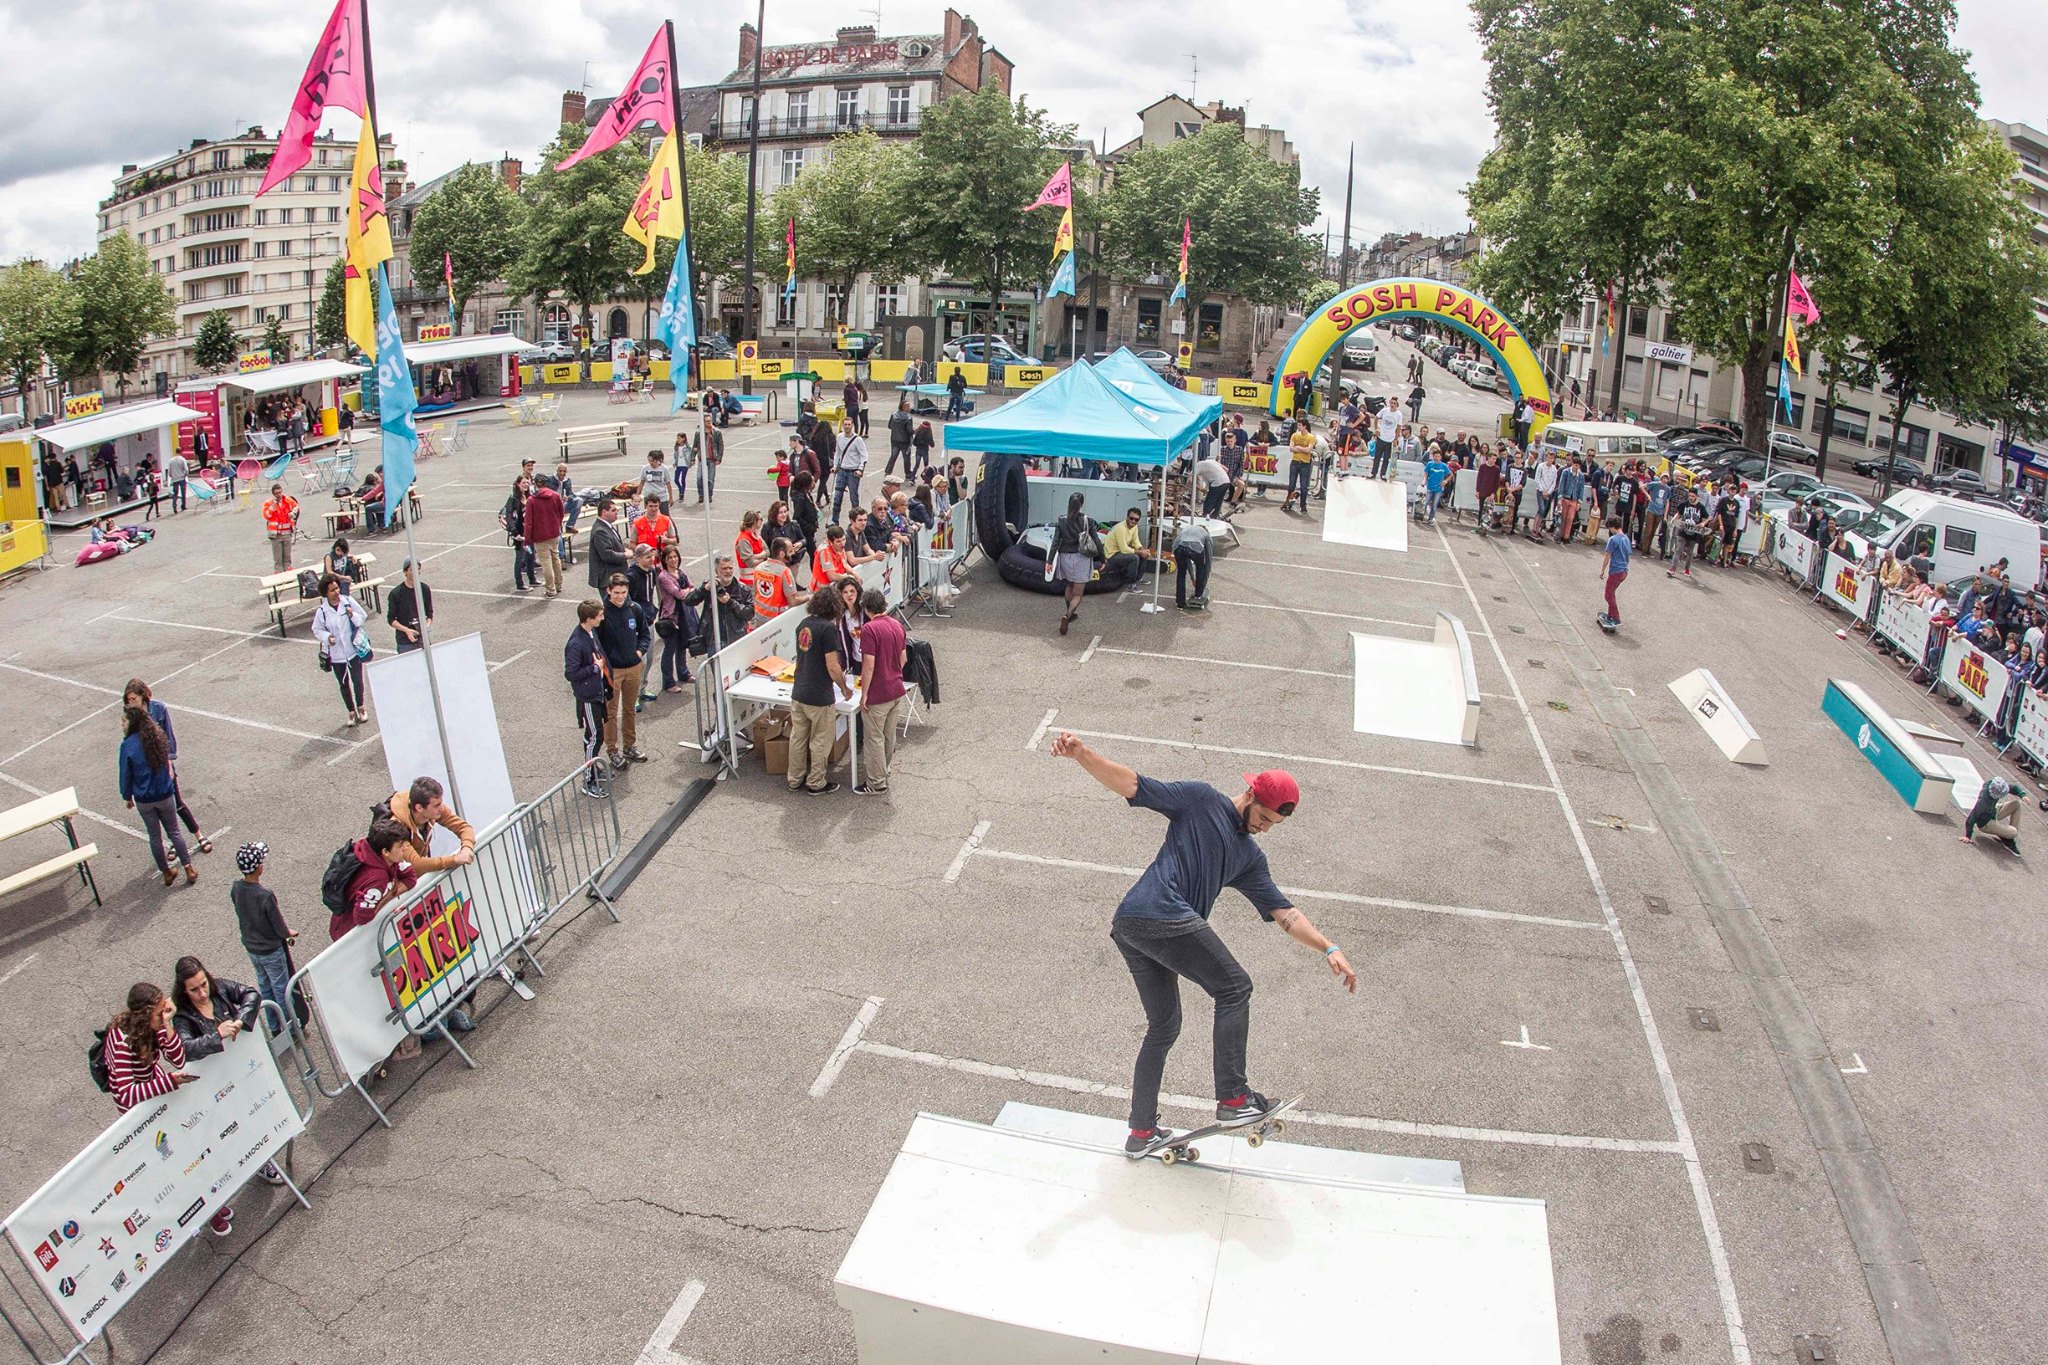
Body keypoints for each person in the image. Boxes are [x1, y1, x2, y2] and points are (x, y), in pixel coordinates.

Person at [1046, 738, 1355, 1154]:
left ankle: (1141, 1131)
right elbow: (1132, 784)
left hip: (1134, 925)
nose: (1263, 828)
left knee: (1164, 1026)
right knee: (1234, 987)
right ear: (1249, 795)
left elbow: (1285, 913)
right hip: (1159, 912)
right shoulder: (1199, 800)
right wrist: (1082, 754)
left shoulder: (1248, 857)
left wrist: (1328, 947)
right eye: (1262, 817)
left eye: (1270, 826)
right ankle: (1232, 1098)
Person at [104, 983, 237, 1233]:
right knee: (176, 1164)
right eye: (158, 1013)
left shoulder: (153, 1027)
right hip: (140, 1115)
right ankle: (204, 1213)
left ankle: (211, 1205)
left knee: (189, 1154)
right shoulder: (122, 1042)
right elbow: (125, 1095)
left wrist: (166, 1025)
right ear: (144, 1016)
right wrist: (167, 1082)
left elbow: (177, 1058)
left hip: (157, 1098)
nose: (164, 1014)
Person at [120, 703, 196, 886]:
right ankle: (188, 868)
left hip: (144, 799)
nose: (122, 725)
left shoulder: (127, 746)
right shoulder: (157, 737)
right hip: (164, 793)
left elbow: (125, 774)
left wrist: (127, 796)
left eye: (123, 721)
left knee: (154, 836)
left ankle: (167, 872)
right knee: (174, 831)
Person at [231, 841, 297, 1033]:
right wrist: (289, 933)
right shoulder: (265, 895)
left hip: (252, 948)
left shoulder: (236, 888)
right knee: (281, 989)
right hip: (271, 950)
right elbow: (278, 925)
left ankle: (274, 1025)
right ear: (259, 867)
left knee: (265, 986)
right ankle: (292, 1027)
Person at [787, 590, 847, 795]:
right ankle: (816, 781)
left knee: (798, 738)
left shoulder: (803, 624)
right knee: (820, 740)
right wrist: (844, 688)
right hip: (819, 694)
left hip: (799, 690)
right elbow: (832, 666)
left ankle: (794, 778)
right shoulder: (828, 629)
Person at [329, 819, 419, 942]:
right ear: (385, 852)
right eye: (400, 845)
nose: (405, 849)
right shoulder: (377, 879)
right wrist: (386, 899)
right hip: (351, 938)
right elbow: (362, 917)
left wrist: (389, 894)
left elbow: (410, 877)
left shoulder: (377, 853)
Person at [855, 589, 909, 795]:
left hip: (879, 692)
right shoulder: (897, 624)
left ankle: (876, 782)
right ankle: (884, 770)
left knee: (874, 738)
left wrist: (865, 694)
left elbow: (868, 665)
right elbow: (903, 658)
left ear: (866, 608)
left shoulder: (870, 629)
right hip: (896, 688)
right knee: (888, 735)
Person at [312, 572, 372, 725]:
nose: (336, 592)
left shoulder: (348, 601)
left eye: (337, 588)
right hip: (337, 654)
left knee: (357, 681)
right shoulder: (322, 611)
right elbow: (317, 629)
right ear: (326, 593)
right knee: (343, 683)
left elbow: (362, 618)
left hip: (353, 651)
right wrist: (327, 637)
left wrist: (353, 616)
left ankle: (361, 707)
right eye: (332, 590)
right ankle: (351, 711)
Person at [566, 600, 611, 796]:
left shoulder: (591, 634)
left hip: (597, 691)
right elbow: (571, 674)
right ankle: (589, 778)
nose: (602, 618)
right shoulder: (576, 643)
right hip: (588, 696)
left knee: (592, 735)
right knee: (595, 736)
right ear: (589, 618)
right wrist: (594, 668)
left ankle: (593, 768)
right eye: (599, 615)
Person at [684, 555, 754, 658]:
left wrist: (730, 602)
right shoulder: (709, 586)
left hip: (735, 638)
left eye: (730, 568)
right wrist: (704, 589)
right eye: (724, 568)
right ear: (716, 571)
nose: (728, 571)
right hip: (714, 640)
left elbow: (749, 614)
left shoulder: (742, 589)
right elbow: (689, 601)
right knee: (718, 672)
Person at [1052, 492, 1097, 636]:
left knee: (1069, 585)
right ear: (1081, 505)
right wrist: (1102, 558)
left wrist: (1048, 560)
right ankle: (1069, 614)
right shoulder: (1087, 520)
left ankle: (1068, 612)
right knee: (1078, 593)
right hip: (1081, 558)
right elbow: (1095, 540)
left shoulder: (1061, 520)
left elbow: (1055, 542)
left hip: (1065, 557)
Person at [655, 545, 698, 693]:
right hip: (670, 617)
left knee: (682, 647)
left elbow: (692, 587)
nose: (673, 560)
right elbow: (678, 593)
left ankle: (683, 673)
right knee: (670, 649)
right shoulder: (664, 577)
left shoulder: (681, 572)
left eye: (675, 557)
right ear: (664, 560)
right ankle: (668, 681)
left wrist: (688, 591)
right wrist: (688, 591)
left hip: (684, 616)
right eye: (670, 558)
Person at [525, 474, 567, 598]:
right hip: (554, 533)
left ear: (535, 484)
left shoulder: (532, 500)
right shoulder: (555, 496)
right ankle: (558, 584)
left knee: (546, 563)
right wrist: (556, 525)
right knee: (556, 558)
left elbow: (529, 522)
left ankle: (550, 589)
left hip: (540, 535)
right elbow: (561, 513)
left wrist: (527, 539)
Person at [752, 536, 809, 622]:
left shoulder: (759, 568)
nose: (793, 553)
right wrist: (808, 597)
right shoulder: (784, 572)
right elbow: (793, 601)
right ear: (782, 554)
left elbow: (755, 593)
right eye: (790, 551)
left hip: (759, 617)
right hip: (777, 620)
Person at [1961, 776, 2023, 854]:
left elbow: (2011, 788)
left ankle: (2007, 836)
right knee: (2014, 832)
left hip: (1992, 811)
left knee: (2016, 804)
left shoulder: (1992, 784)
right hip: (1986, 823)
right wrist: (1967, 836)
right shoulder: (1983, 803)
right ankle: (2008, 838)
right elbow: (1971, 818)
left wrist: (2022, 795)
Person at [385, 558, 434, 653]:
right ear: (405, 571)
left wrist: (426, 626)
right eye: (412, 570)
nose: (416, 572)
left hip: (423, 638)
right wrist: (406, 630)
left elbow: (429, 613)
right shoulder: (396, 593)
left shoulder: (424, 589)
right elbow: (391, 619)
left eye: (418, 569)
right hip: (405, 642)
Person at [501, 475, 536, 592]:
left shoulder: (528, 496)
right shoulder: (513, 499)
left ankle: (532, 579)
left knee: (531, 556)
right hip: (519, 534)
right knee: (520, 558)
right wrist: (515, 533)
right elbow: (509, 516)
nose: (526, 485)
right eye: (523, 483)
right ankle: (520, 584)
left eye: (527, 483)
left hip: (529, 532)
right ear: (518, 484)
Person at [586, 497, 629, 591]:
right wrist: (625, 555)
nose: (617, 512)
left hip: (615, 577)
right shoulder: (600, 531)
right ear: (604, 512)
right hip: (608, 579)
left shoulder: (607, 526)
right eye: (613, 510)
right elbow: (607, 555)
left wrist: (623, 549)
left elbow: (614, 545)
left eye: (617, 510)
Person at [832, 418, 869, 524]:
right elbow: (837, 453)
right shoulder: (839, 437)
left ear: (852, 425)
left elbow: (864, 455)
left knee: (854, 498)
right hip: (842, 470)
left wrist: (860, 469)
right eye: (845, 424)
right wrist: (835, 466)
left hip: (853, 472)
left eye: (849, 424)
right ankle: (835, 521)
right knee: (837, 497)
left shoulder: (857, 440)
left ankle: (855, 521)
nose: (847, 426)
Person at [1598, 515, 1630, 630]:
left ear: (1612, 527)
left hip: (1616, 571)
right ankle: (1611, 614)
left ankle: (1615, 617)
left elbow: (1607, 555)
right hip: (1624, 571)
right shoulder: (1626, 538)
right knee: (1612, 593)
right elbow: (1627, 555)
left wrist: (1602, 570)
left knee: (1608, 595)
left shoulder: (1613, 539)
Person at [1173, 518, 1212, 610]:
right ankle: (1198, 594)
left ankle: (1180, 603)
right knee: (1200, 567)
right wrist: (1202, 582)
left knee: (1181, 574)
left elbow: (1187, 562)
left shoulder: (1187, 529)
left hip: (1178, 548)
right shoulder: (1206, 535)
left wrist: (1192, 578)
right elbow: (1209, 560)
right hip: (1194, 549)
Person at [262, 483, 299, 572]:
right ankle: (279, 574)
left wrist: (293, 513)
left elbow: (296, 506)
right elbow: (266, 515)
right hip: (275, 535)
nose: (279, 495)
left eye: (280, 492)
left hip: (287, 532)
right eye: (276, 493)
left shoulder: (288, 500)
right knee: (278, 559)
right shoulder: (268, 503)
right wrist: (272, 507)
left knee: (287, 557)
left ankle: (288, 574)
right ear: (273, 494)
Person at [1285, 421, 1316, 513]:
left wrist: (1298, 448)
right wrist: (1301, 449)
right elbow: (1291, 448)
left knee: (1304, 486)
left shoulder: (1311, 437)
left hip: (1305, 463)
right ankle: (1288, 502)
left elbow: (1309, 450)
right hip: (1295, 462)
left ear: (1305, 426)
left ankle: (1303, 506)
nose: (1298, 427)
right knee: (1291, 484)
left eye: (1300, 425)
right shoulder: (1295, 435)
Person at [1195, 451, 1232, 519]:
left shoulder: (1198, 465)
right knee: (1218, 500)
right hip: (1226, 480)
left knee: (1209, 501)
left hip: (1217, 482)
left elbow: (1191, 479)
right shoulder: (1212, 461)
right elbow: (1226, 469)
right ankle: (1215, 516)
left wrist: (1200, 488)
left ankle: (1206, 516)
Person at [887, 398, 916, 477]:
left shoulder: (894, 415)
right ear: (905, 408)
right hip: (904, 441)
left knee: (893, 456)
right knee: (906, 458)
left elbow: (889, 426)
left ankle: (888, 471)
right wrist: (915, 431)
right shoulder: (908, 418)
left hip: (894, 439)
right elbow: (909, 431)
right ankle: (907, 473)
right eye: (908, 407)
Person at [639, 448, 673, 515]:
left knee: (665, 516)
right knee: (648, 516)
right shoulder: (645, 468)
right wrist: (637, 494)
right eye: (649, 461)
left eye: (652, 461)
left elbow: (668, 484)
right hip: (648, 496)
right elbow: (642, 482)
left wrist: (671, 497)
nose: (650, 463)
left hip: (661, 496)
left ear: (658, 460)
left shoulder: (664, 469)